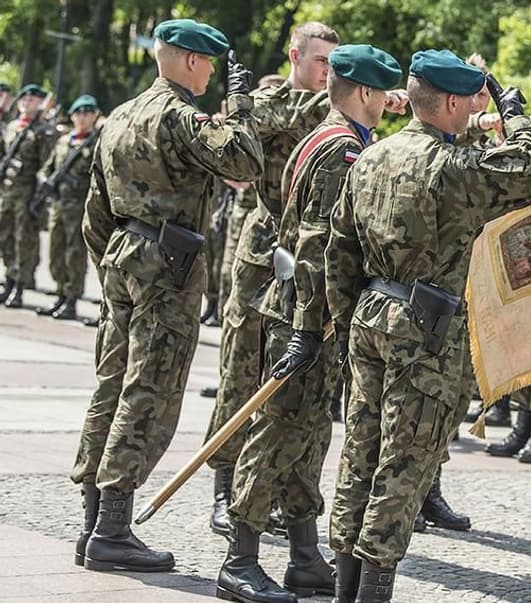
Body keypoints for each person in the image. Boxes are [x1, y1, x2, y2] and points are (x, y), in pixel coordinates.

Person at [324, 49, 531, 602]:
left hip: (369, 317)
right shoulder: (449, 168)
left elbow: (338, 253)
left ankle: (345, 585)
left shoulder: (373, 157)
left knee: (361, 450)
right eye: (471, 99)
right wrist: (516, 115)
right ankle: (373, 589)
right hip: (423, 326)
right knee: (405, 462)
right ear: (453, 101)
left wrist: (341, 324)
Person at [70, 18, 263, 573]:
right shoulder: (179, 116)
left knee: (110, 386)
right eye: (209, 65)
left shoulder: (120, 115)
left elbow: (95, 212)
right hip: (166, 266)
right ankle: (112, 528)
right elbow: (243, 162)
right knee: (148, 393)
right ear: (190, 62)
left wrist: (116, 260)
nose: (211, 74)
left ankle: (91, 523)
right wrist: (241, 104)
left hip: (121, 259)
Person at [216, 44, 401, 603]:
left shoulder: (328, 135)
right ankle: (239, 559)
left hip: (308, 314)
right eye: (381, 94)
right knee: (279, 432)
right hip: (307, 316)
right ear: (366, 93)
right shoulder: (341, 150)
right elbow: (317, 247)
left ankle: (303, 557)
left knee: (308, 437)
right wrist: (308, 327)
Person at [204, 21, 337, 538]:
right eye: (322, 61)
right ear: (295, 56)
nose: (329, 72)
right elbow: (260, 121)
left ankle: (278, 495)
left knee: (292, 387)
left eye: (335, 64)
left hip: (306, 259)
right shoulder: (270, 99)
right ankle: (222, 488)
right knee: (241, 370)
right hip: (262, 253)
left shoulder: (337, 110)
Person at [33, 94, 101, 320]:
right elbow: (47, 167)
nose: (82, 117)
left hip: (79, 208)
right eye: (78, 113)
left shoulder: (95, 144)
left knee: (75, 254)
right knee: (56, 251)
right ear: (72, 116)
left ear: (94, 116)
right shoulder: (63, 142)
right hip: (59, 206)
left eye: (87, 113)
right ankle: (60, 293)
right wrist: (46, 181)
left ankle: (71, 299)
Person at [0, 84, 55, 307]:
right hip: (7, 191)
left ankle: (20, 285)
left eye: (33, 99)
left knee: (24, 240)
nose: (27, 101)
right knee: (5, 237)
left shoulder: (42, 131)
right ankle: (9, 277)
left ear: (40, 103)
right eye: (24, 98)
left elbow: (46, 164)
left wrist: (39, 196)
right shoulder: (13, 127)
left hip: (27, 192)